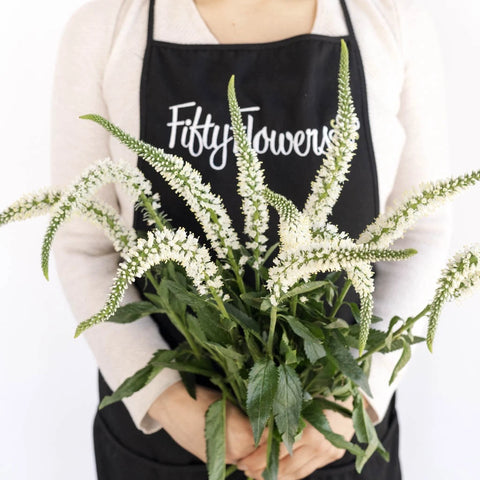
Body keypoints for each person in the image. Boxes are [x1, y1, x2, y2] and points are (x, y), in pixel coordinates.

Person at [50, 0, 451, 479]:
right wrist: (165, 399)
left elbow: (418, 231)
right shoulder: (106, 28)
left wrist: (360, 393)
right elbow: (85, 245)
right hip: (166, 439)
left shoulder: (391, 20)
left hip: (332, 436)